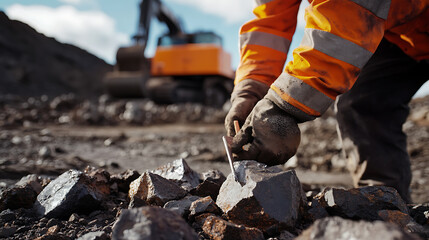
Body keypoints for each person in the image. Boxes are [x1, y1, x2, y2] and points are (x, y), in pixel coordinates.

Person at [225, 0, 429, 203]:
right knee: (361, 104)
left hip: (403, 23)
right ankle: (386, 206)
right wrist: (250, 89)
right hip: (404, 34)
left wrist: (282, 106)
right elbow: (269, 21)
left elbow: (347, 12)